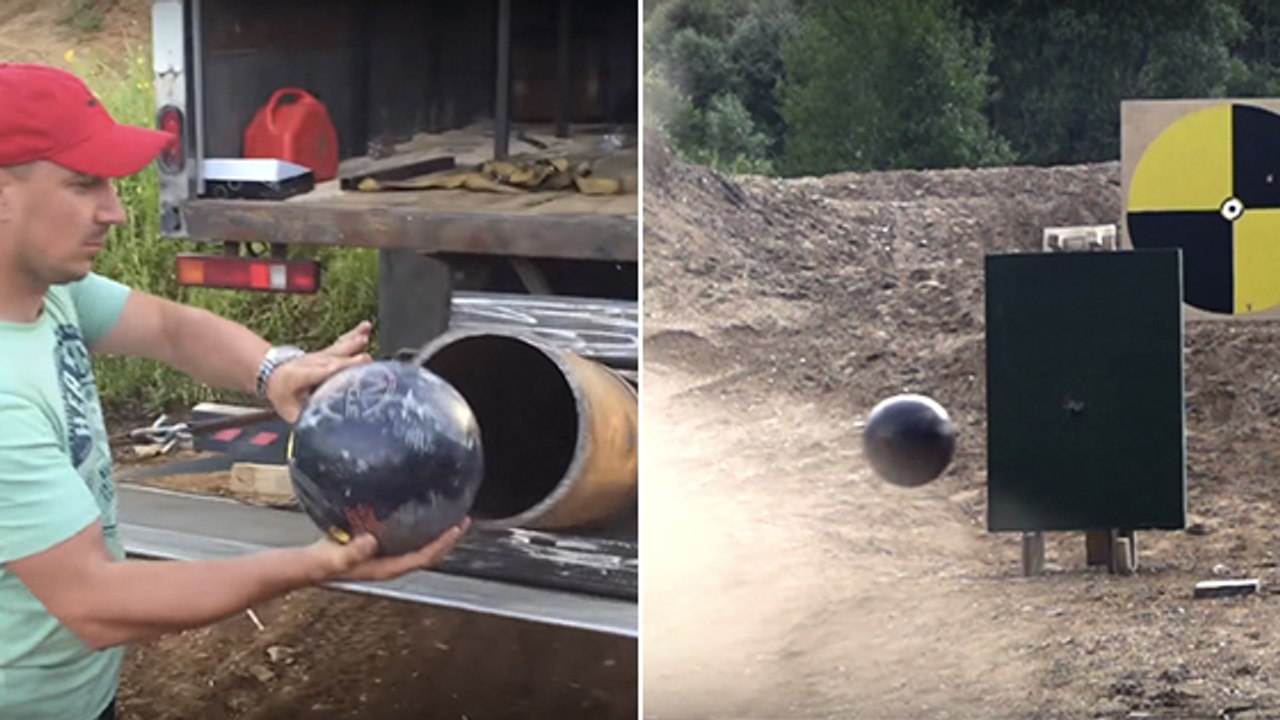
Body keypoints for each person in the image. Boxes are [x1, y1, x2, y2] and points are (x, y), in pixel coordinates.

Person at [0, 63, 470, 720]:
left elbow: (169, 328)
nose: (114, 210)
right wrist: (310, 567)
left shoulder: (45, 291)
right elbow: (94, 604)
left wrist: (273, 370)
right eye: (84, 184)